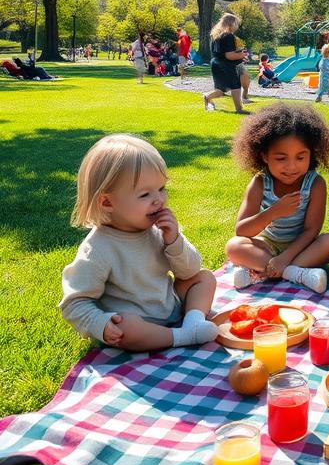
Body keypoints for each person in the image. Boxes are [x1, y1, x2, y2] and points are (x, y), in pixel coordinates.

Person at [59, 134, 218, 350]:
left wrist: (174, 241)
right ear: (107, 202)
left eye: (162, 189)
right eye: (145, 194)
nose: (158, 199)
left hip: (170, 305)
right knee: (127, 327)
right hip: (140, 325)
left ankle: (193, 322)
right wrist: (102, 325)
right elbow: (74, 303)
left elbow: (189, 271)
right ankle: (184, 336)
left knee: (204, 278)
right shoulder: (98, 248)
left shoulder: (159, 229)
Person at [226, 102, 329, 293]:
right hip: (267, 246)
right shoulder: (260, 182)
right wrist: (273, 212)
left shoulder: (315, 184)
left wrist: (285, 258)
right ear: (264, 156)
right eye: (281, 158)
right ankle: (295, 274)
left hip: (302, 248)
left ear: (311, 155)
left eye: (300, 158)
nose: (291, 167)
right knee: (234, 247)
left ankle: (261, 272)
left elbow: (312, 231)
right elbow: (242, 230)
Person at [204, 13, 246, 113]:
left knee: (221, 90)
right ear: (231, 23)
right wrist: (242, 55)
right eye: (236, 23)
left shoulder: (215, 34)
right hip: (226, 64)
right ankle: (239, 109)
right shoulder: (229, 36)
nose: (237, 26)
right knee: (235, 85)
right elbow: (229, 55)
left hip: (215, 63)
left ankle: (207, 97)